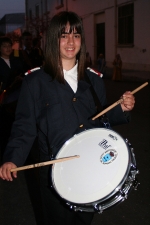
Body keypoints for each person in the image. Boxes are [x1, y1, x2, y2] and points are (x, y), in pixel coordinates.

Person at [0, 11, 135, 225]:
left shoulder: (93, 80)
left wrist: (122, 108)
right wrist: (12, 158)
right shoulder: (35, 82)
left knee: (83, 221)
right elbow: (24, 127)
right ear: (54, 39)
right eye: (64, 35)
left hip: (88, 169)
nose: (71, 42)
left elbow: (101, 122)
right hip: (53, 174)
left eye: (76, 35)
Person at [0, 36, 25, 158]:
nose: (8, 48)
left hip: (17, 98)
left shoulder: (16, 60)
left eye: (9, 46)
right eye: (4, 46)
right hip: (4, 100)